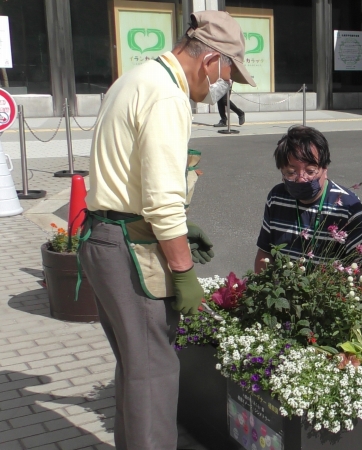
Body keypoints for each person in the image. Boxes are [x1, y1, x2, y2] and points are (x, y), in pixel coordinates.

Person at [79, 11, 255, 449]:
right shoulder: (167, 96)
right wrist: (184, 273)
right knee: (155, 373)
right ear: (211, 60)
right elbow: (161, 201)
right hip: (127, 250)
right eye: (228, 75)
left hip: (104, 236)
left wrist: (176, 227)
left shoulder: (135, 78)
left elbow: (128, 176)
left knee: (136, 369)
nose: (222, 87)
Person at [254, 125, 362, 273]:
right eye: (291, 172)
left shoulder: (347, 206)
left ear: (325, 168)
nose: (301, 179)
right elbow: (265, 251)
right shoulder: (276, 198)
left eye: (310, 171)